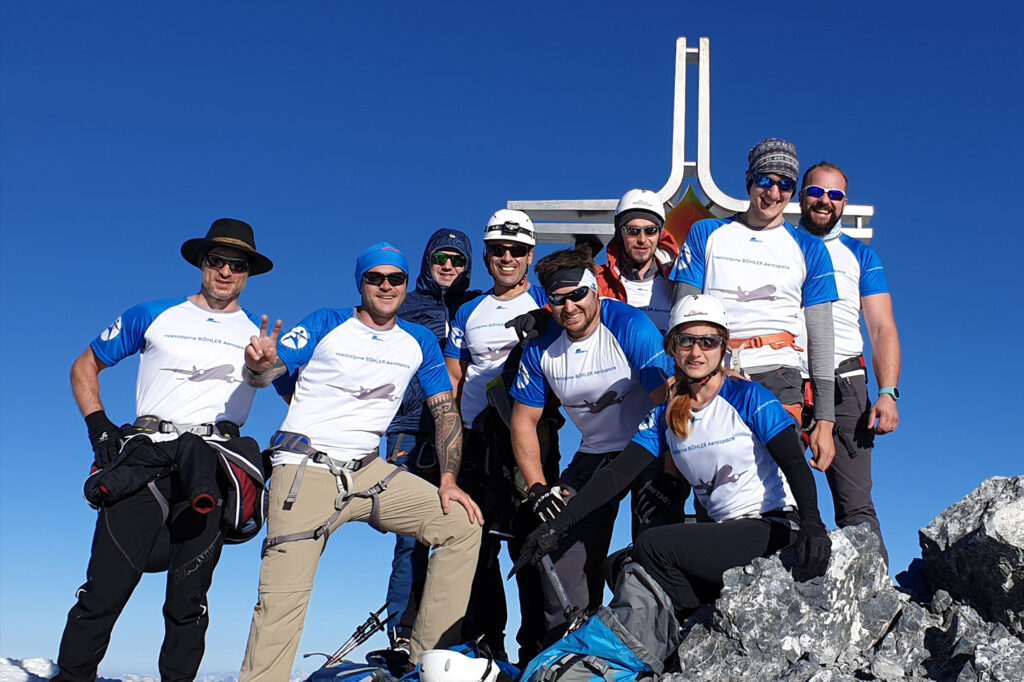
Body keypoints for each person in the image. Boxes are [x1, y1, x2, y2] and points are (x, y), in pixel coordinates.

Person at [239, 242, 483, 681]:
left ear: (407, 285)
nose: (386, 286)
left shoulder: (419, 340)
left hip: (371, 471)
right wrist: (258, 365)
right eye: (376, 277)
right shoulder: (326, 323)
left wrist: (448, 480)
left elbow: (445, 410)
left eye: (396, 278)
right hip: (305, 470)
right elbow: (270, 371)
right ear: (361, 282)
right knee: (281, 601)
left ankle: (426, 664)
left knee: (461, 524)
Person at [54, 218, 277, 682]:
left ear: (249, 273)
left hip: (213, 465)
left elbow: (291, 392)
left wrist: (262, 370)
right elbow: (84, 365)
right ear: (202, 262)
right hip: (146, 458)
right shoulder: (152, 314)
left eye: (238, 265)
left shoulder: (260, 339)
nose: (226, 272)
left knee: (188, 600)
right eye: (217, 260)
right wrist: (99, 426)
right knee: (105, 590)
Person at [516, 294, 831, 621]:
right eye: (686, 341)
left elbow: (793, 462)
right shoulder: (666, 412)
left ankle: (694, 620)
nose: (696, 352)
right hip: (724, 536)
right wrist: (557, 525)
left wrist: (813, 523)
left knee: (651, 545)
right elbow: (617, 475)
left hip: (771, 526)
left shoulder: (747, 396)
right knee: (619, 567)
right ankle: (696, 622)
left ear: (724, 347)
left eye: (708, 342)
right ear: (672, 347)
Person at [510, 248, 673, 639]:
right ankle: (569, 649)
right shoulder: (540, 347)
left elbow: (667, 401)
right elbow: (523, 420)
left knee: (652, 549)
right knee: (559, 549)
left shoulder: (630, 325)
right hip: (593, 452)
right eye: (558, 299)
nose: (569, 307)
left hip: (646, 448)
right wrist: (536, 487)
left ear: (595, 289)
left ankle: (656, 646)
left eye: (578, 294)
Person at [670, 138, 840, 473]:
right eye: (765, 181)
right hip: (711, 371)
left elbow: (821, 336)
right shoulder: (707, 232)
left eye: (786, 185)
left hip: (779, 372)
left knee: (777, 481)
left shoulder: (811, 249)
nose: (774, 194)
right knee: (715, 480)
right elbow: (684, 313)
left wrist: (825, 419)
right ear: (750, 181)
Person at [444, 210, 553, 662]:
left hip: (531, 439)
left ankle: (536, 649)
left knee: (532, 543)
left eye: (517, 250)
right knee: (479, 548)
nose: (507, 258)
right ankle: (487, 646)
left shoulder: (549, 301)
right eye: (497, 250)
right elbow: (455, 376)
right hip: (475, 440)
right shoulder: (469, 309)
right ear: (487, 255)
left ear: (531, 255)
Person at [798, 161, 901, 565]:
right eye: (817, 192)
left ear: (844, 202)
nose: (825, 201)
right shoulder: (780, 244)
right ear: (801, 196)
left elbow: (881, 328)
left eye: (835, 195)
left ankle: (879, 603)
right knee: (779, 501)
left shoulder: (861, 254)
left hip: (845, 384)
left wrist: (889, 393)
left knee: (856, 506)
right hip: (787, 380)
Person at [382, 228, 480, 652]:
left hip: (461, 429)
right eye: (441, 257)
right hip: (409, 425)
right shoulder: (405, 302)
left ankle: (456, 629)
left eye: (457, 260)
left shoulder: (476, 305)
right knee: (411, 534)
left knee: (466, 524)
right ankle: (404, 629)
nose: (448, 266)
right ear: (428, 260)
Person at [595, 189, 679, 333]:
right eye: (632, 230)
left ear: (660, 234)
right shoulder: (597, 280)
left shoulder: (678, 280)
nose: (642, 239)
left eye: (651, 230)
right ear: (620, 234)